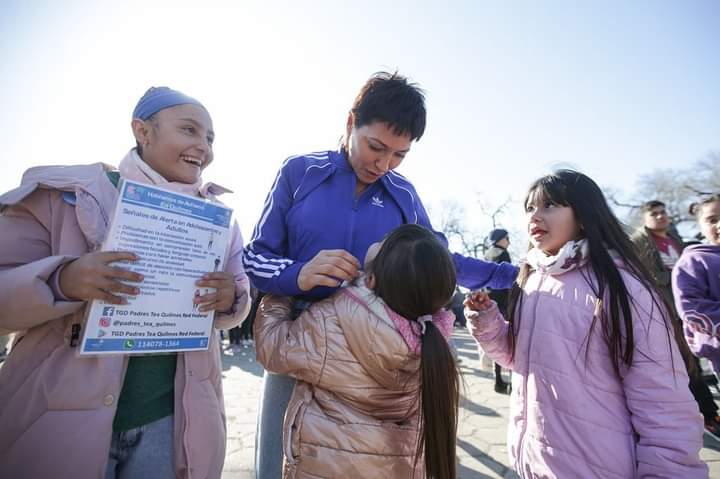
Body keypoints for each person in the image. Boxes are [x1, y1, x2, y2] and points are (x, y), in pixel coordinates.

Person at [243, 71, 517, 478]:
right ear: (351, 123)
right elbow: (255, 258)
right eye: (376, 147)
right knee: (279, 465)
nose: (384, 164)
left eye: (400, 155)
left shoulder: (403, 195)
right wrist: (298, 275)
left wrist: (512, 275)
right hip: (298, 345)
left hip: (374, 368)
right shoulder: (300, 173)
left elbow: (439, 260)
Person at [0, 87, 251, 479]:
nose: (203, 146)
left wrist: (229, 298)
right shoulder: (65, 197)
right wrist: (65, 280)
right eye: (189, 130)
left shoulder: (215, 220)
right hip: (57, 421)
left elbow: (238, 293)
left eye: (210, 138)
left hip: (168, 422)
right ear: (142, 131)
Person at [464, 170, 706, 477]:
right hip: (536, 460)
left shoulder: (621, 288)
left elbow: (662, 402)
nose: (535, 216)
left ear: (583, 214)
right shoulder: (531, 282)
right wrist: (487, 322)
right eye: (529, 208)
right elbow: (518, 359)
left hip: (598, 466)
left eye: (549, 205)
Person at [255, 224, 459, 478]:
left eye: (385, 239)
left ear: (371, 280)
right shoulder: (434, 345)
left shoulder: (335, 321)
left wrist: (282, 290)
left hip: (327, 466)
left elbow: (274, 348)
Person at [632, 199, 720, 438]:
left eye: (663, 212)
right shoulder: (639, 242)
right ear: (645, 218)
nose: (661, 217)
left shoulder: (675, 238)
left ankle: (709, 413)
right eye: (654, 213)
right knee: (687, 366)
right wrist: (675, 274)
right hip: (668, 312)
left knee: (695, 366)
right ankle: (707, 415)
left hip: (689, 313)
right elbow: (642, 276)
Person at [673, 194, 720, 439]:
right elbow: (693, 309)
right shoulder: (694, 261)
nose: (719, 224)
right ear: (701, 225)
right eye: (712, 219)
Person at [483, 228, 513, 394]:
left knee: (496, 342)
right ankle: (510, 382)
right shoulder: (504, 255)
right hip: (504, 305)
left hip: (491, 304)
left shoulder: (488, 255)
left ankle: (498, 380)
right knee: (509, 342)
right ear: (500, 239)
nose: (509, 241)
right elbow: (509, 281)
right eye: (507, 238)